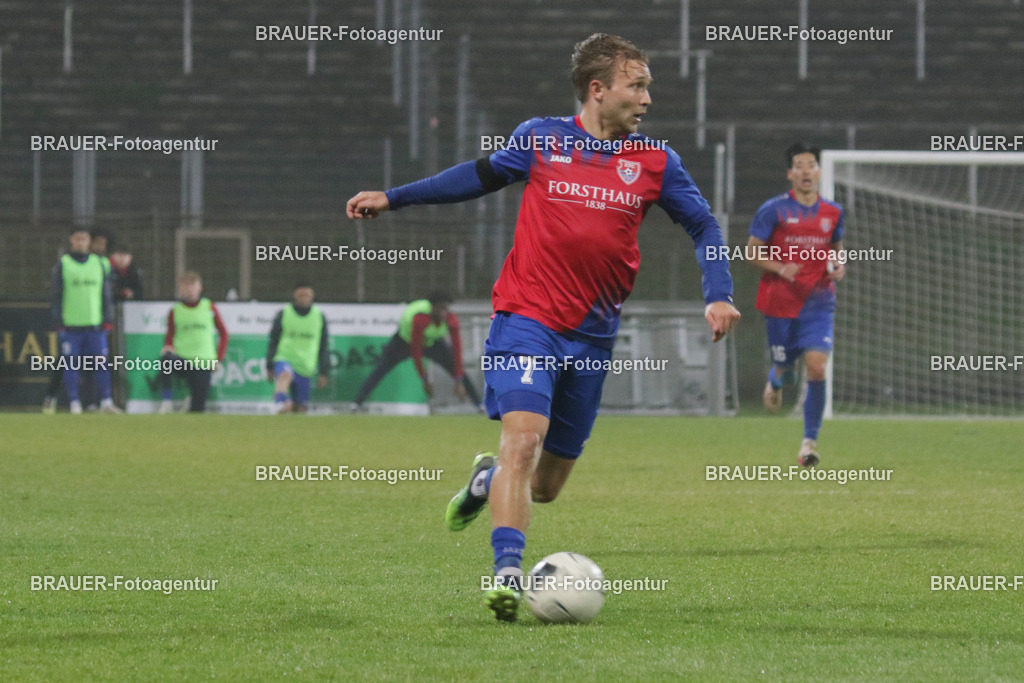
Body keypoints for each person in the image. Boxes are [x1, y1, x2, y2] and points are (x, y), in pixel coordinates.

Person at [346, 33, 740, 621]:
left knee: (545, 485)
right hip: (527, 319)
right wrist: (394, 197)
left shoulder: (657, 161)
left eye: (648, 87)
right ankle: (507, 574)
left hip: (594, 336)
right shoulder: (542, 138)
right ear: (598, 89)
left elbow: (704, 226)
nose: (647, 99)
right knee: (523, 442)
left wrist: (720, 294)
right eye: (637, 86)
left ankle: (486, 482)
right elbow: (476, 176)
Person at [745, 142, 845, 467]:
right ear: (790, 174)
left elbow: (836, 250)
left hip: (818, 300)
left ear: (819, 171)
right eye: (799, 166)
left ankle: (809, 444)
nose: (806, 172)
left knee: (816, 366)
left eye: (811, 165)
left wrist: (839, 265)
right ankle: (777, 377)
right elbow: (751, 251)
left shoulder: (833, 212)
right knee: (786, 367)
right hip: (780, 302)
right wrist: (780, 268)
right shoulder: (773, 209)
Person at [353, 292, 481, 410]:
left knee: (460, 372)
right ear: (433, 307)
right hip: (403, 343)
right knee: (380, 370)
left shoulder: (451, 319)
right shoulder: (420, 319)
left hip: (432, 342)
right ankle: (356, 403)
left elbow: (457, 350)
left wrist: (458, 380)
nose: (444, 312)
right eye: (441, 308)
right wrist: (424, 379)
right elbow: (416, 351)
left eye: (446, 308)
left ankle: (481, 405)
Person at [46, 227, 121, 414]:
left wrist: (107, 318)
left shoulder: (100, 263)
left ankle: (106, 401)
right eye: (77, 239)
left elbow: (106, 294)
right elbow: (56, 295)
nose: (81, 243)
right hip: (71, 325)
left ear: (89, 242)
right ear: (72, 240)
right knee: (70, 364)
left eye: (84, 239)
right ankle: (75, 403)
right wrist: (58, 323)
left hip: (95, 325)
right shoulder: (63, 264)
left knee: (101, 363)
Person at [157, 271, 229, 413]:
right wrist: (168, 346)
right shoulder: (175, 311)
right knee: (166, 360)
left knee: (197, 410)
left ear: (199, 287)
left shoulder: (209, 307)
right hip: (183, 360)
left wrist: (219, 358)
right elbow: (170, 335)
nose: (189, 289)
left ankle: (191, 401)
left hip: (203, 363)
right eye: (186, 286)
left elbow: (224, 333)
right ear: (180, 288)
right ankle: (167, 401)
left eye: (193, 285)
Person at [266, 283, 330, 414]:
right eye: (301, 295)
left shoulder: (319, 316)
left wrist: (324, 372)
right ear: (295, 295)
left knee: (300, 408)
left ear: (312, 296)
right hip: (285, 357)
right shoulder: (284, 313)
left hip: (305, 365)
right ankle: (281, 402)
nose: (303, 298)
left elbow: (323, 346)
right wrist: (269, 365)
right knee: (285, 375)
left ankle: (288, 406)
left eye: (306, 295)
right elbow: (273, 341)